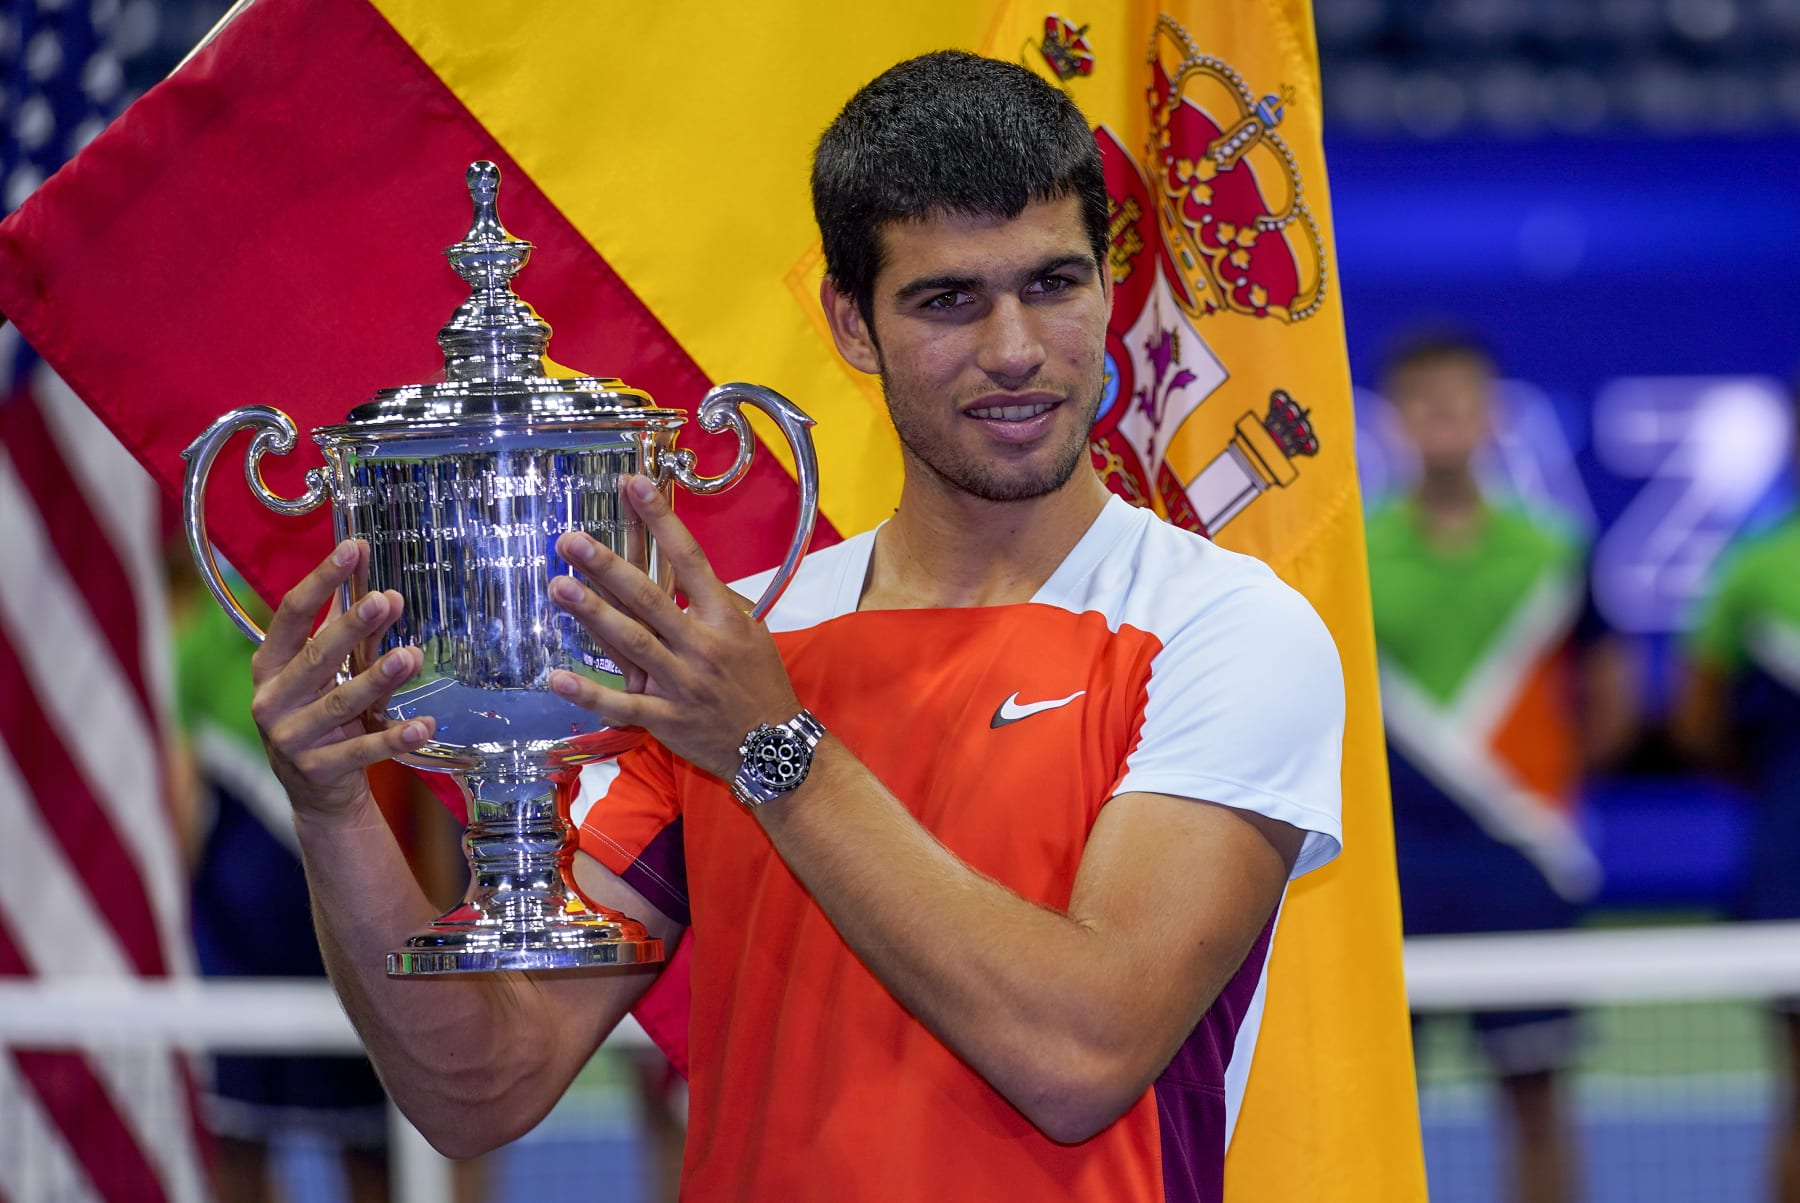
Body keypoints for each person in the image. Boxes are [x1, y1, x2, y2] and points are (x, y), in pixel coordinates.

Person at [246, 51, 1345, 1200]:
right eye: (948, 299)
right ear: (849, 322)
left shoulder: (1228, 630)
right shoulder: (739, 646)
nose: (1015, 348)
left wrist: (774, 752)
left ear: (1108, 289)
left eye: (1053, 284)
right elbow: (477, 1090)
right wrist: (332, 811)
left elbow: (1079, 1057)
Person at [1365, 330, 1602, 1203]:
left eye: (1459, 402)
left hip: (1521, 860)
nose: (1442, 421)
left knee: (1537, 1101)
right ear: (1392, 419)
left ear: (1493, 416)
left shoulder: (1554, 549)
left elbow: (1604, 699)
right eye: (1423, 403)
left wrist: (1538, 794)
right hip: (1393, 871)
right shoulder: (1348, 553)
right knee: (1381, 1106)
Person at [1672, 389, 1800, 1203]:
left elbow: (1699, 726)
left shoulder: (1753, 560)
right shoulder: (1754, 565)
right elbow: (1698, 717)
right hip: (1788, 863)